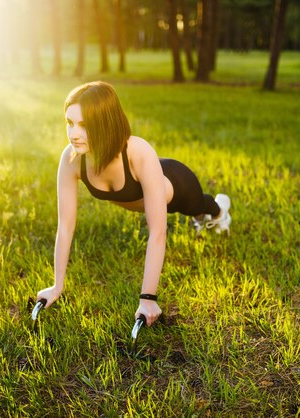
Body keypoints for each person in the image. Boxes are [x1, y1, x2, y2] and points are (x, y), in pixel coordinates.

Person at [36, 81, 231, 326]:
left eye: (84, 125)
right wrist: (57, 286)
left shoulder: (137, 151)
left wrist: (147, 298)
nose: (74, 133)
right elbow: (65, 226)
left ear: (105, 122)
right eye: (70, 123)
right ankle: (205, 215)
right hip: (146, 192)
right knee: (198, 213)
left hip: (177, 185)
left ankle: (220, 209)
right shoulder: (72, 158)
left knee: (199, 206)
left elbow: (158, 231)